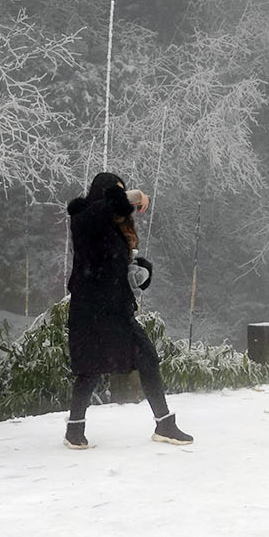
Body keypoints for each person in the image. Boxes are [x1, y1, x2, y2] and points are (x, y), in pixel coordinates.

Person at [64, 172, 191, 448]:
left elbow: (112, 265)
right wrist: (136, 196)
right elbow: (105, 208)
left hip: (112, 309)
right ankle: (76, 431)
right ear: (103, 194)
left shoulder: (112, 224)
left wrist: (139, 270)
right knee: (91, 369)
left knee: (139, 359)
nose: (120, 200)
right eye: (115, 192)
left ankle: (163, 424)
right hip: (92, 309)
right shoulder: (83, 217)